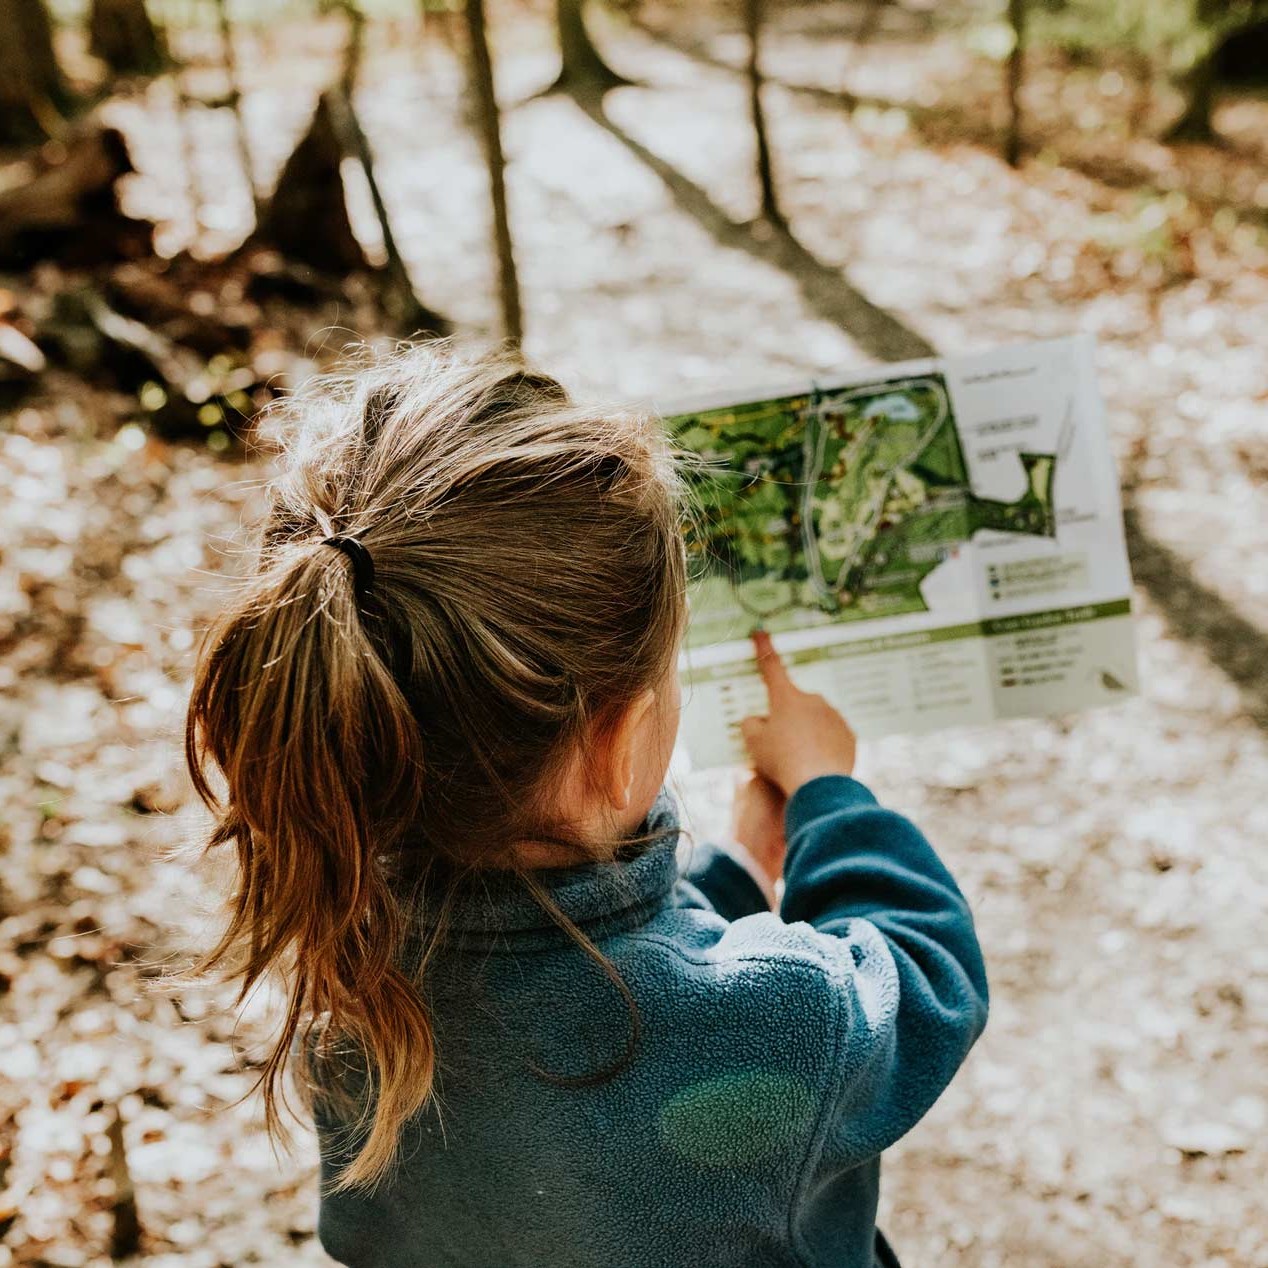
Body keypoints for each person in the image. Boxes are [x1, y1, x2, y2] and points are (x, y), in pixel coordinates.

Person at [185, 345, 988, 1268]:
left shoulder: (354, 974)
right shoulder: (786, 1025)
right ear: (617, 746)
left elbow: (582, 975)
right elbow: (928, 981)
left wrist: (732, 874)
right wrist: (830, 796)